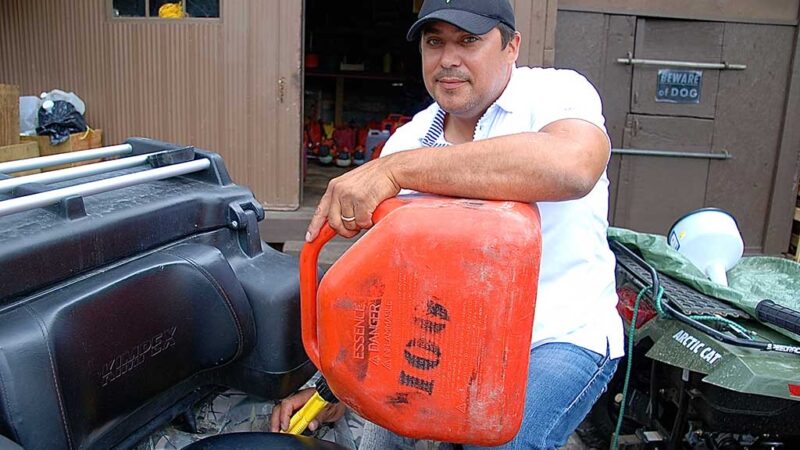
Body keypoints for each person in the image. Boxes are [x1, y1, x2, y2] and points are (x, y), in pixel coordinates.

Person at [271, 0, 623, 448]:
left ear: (512, 45)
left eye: (468, 41)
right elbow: (387, 285)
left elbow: (573, 167)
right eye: (434, 41)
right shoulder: (409, 139)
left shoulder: (558, 95)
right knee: (381, 439)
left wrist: (398, 171)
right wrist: (331, 387)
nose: (448, 59)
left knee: (499, 442)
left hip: (556, 338)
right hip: (444, 336)